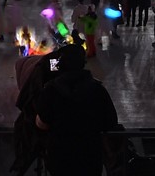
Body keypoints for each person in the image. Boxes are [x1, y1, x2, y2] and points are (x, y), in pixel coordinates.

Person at [34, 45, 118, 176]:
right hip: (90, 157)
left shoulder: (51, 91)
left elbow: (42, 123)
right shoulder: (98, 90)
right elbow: (110, 122)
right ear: (83, 63)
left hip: (60, 158)